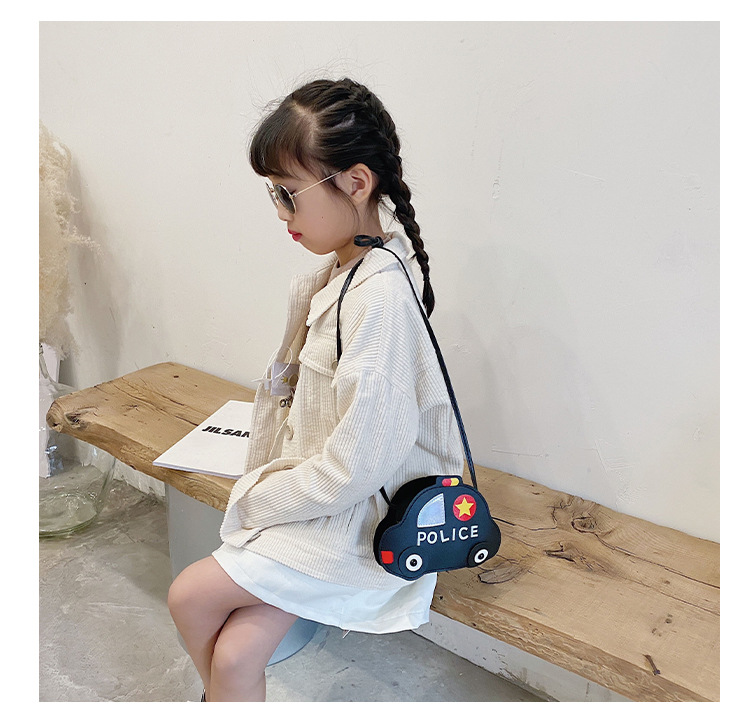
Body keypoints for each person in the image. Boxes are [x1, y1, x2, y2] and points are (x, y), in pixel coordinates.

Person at [167, 77, 463, 702]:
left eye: (288, 193)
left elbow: (361, 464)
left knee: (191, 596)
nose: (281, 213)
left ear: (356, 183)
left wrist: (258, 499)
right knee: (236, 653)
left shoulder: (379, 297)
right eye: (273, 193)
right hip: (320, 500)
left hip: (355, 519)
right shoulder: (339, 274)